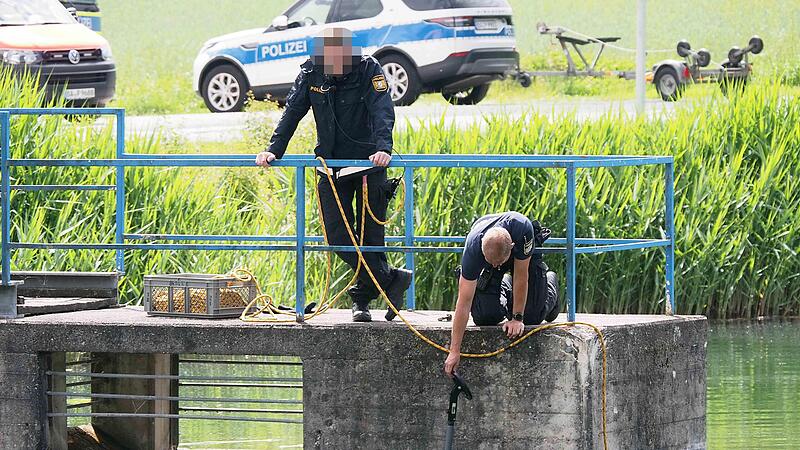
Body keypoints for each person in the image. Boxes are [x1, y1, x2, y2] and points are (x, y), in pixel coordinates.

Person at [255, 27, 411, 323]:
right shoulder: (311, 72)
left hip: (368, 164)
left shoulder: (368, 68)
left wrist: (384, 148)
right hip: (330, 166)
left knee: (370, 237)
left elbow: (382, 109)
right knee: (337, 236)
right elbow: (292, 111)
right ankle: (391, 279)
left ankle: (362, 302)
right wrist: (273, 149)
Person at [443, 212, 560, 376]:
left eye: (498, 263)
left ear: (511, 248)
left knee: (532, 316)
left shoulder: (522, 231)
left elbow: (520, 276)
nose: (496, 266)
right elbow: (463, 302)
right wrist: (454, 350)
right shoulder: (473, 249)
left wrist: (517, 318)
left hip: (521, 252)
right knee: (485, 316)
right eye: (491, 262)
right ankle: (505, 286)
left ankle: (549, 283)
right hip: (493, 249)